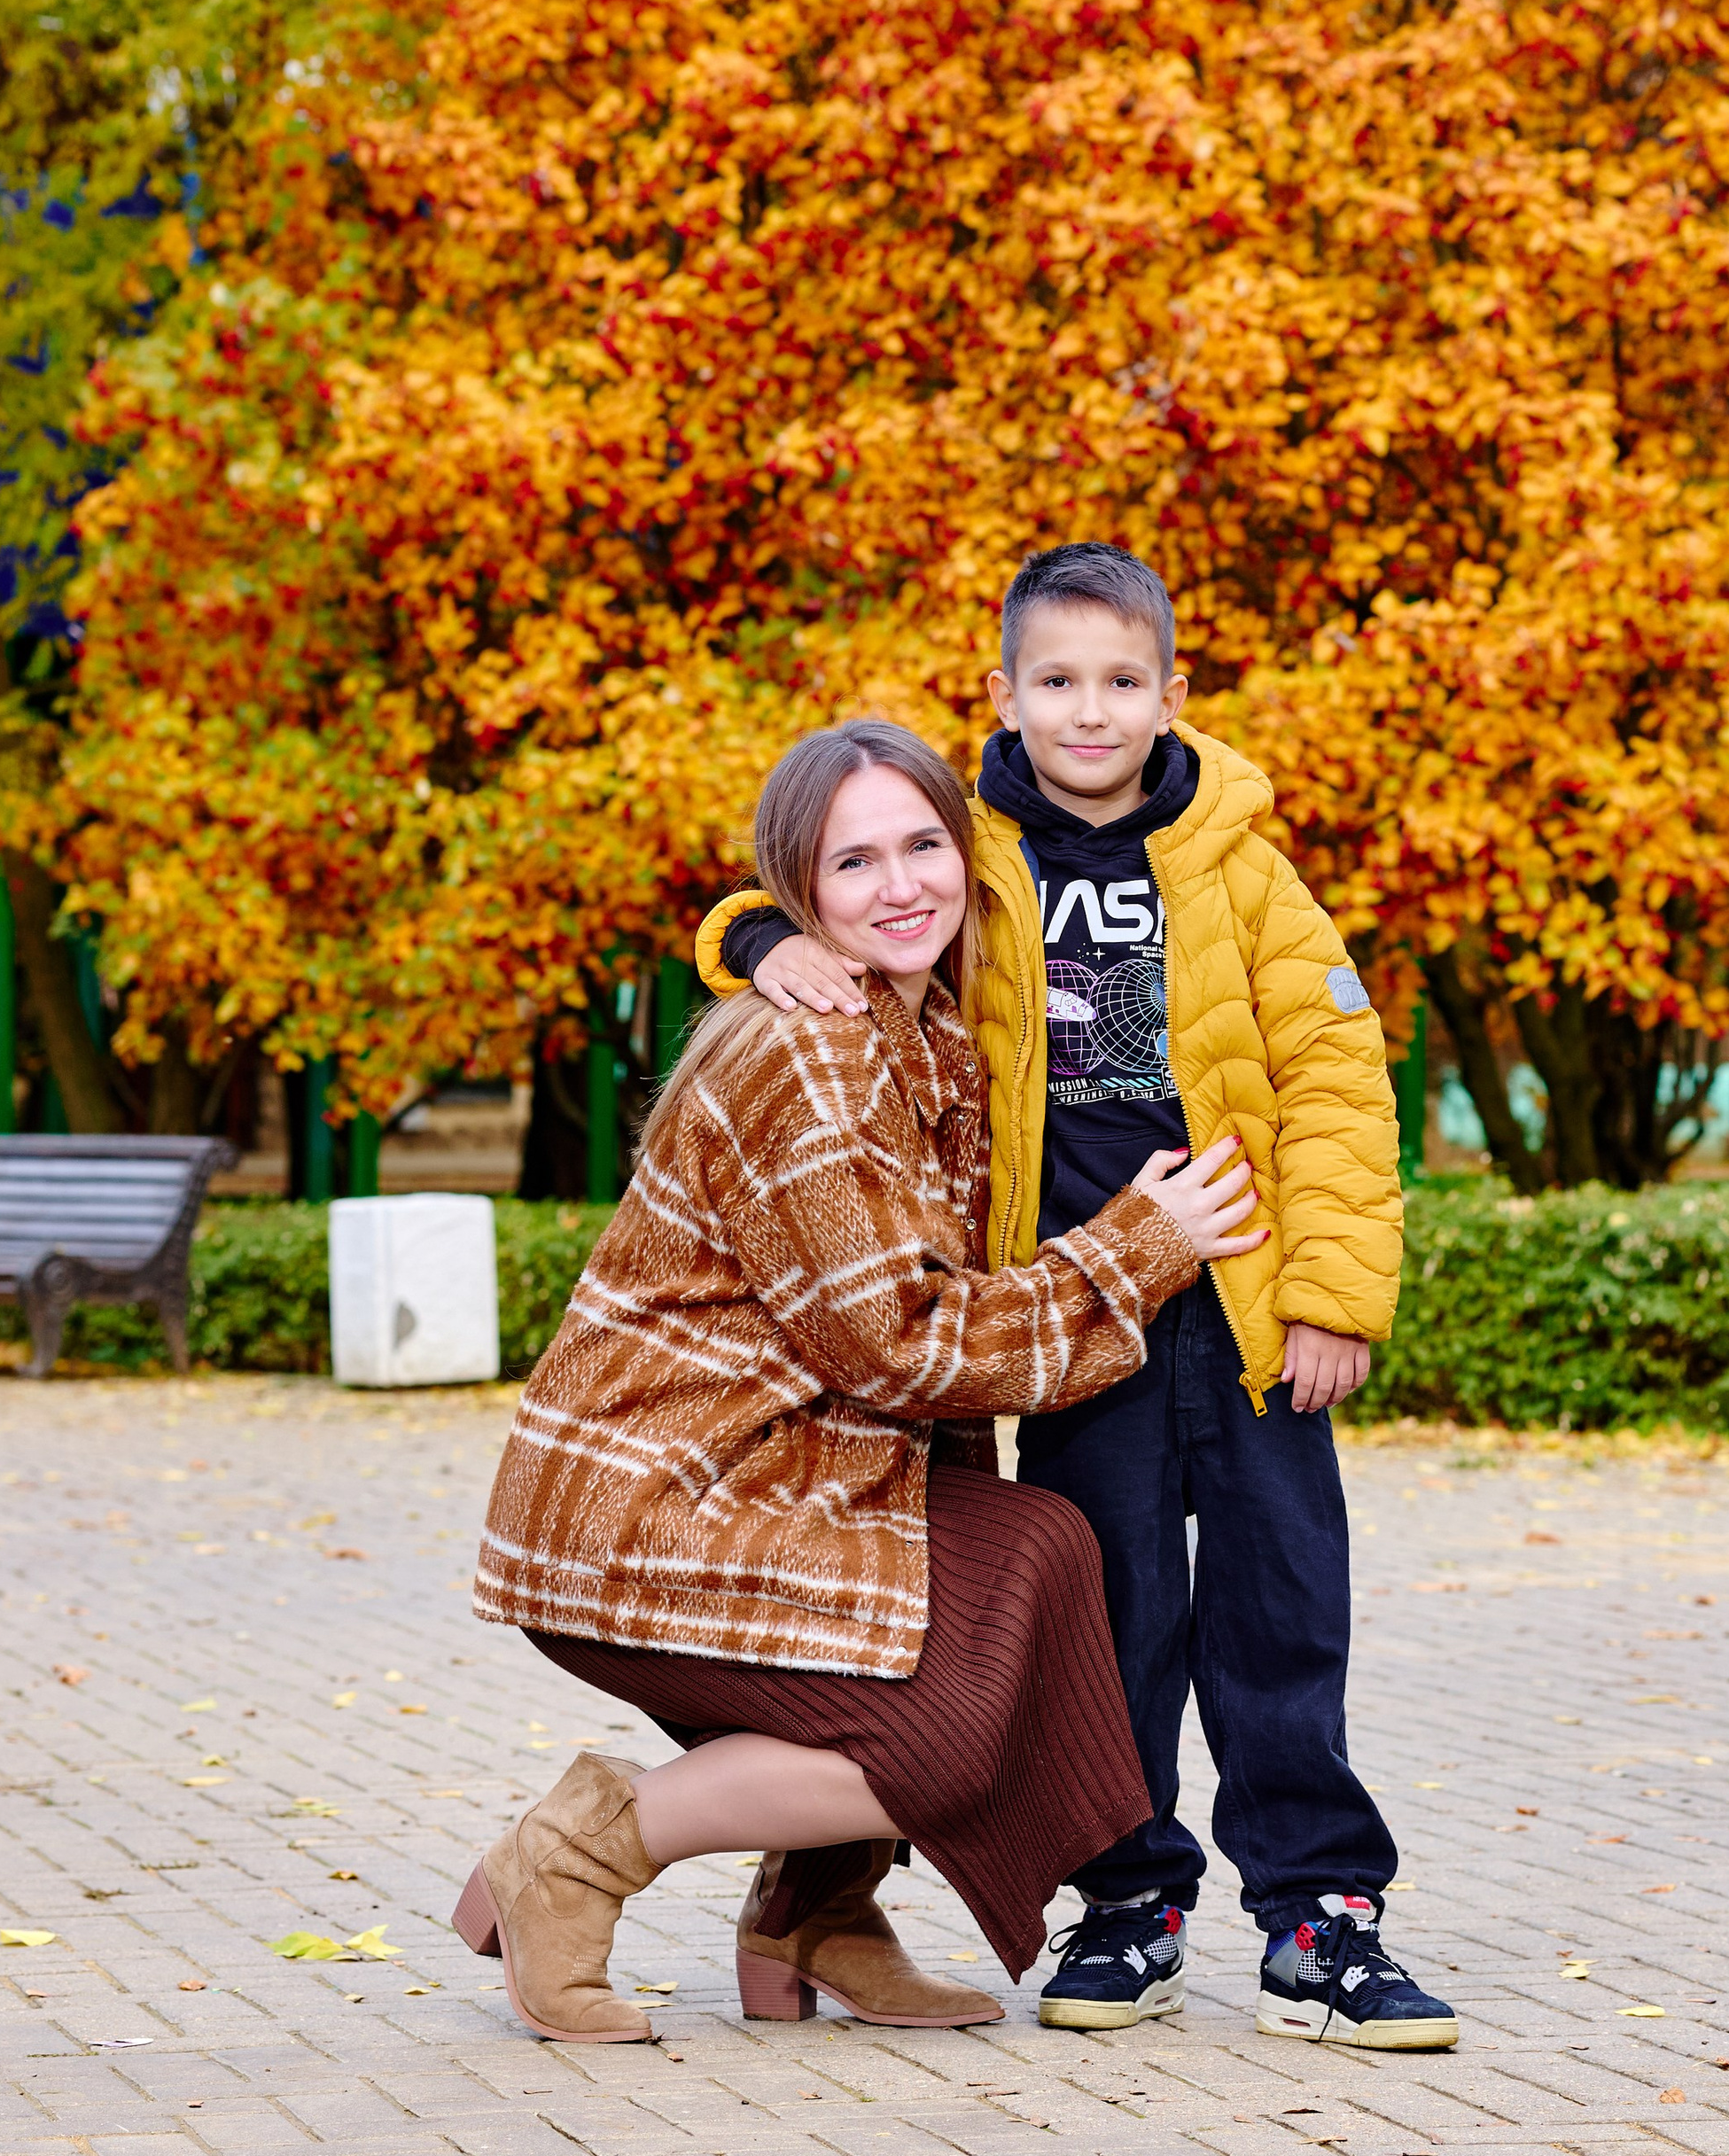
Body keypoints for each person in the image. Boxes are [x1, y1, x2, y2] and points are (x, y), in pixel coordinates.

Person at [698, 546, 1457, 2051]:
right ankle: (1129, 1905)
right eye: (1058, 682)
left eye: (1122, 683)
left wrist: (1332, 1296)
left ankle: (1322, 1918)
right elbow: (792, 900)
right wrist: (767, 942)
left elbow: (1335, 1080)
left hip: (1238, 1320)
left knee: (1281, 1612)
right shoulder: (966, 855)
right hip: (1074, 1325)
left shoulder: (1242, 866)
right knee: (1114, 1622)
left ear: (1173, 694)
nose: (1090, 712)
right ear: (1005, 695)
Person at [460, 714, 1260, 2042]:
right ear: (800, 893)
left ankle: (816, 1916)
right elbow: (894, 1342)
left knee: (1041, 1553)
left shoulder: (929, 1029)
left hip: (791, 1469)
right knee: (954, 1741)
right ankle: (583, 1847)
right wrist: (1139, 1248)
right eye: (852, 865)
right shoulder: (807, 1054)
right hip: (658, 1501)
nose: (901, 886)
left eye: (924, 844)